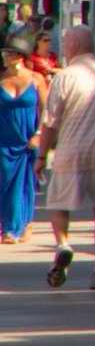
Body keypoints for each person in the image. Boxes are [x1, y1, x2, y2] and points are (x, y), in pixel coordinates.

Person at [35, 25, 95, 289]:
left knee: (58, 204)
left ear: (74, 47)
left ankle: (64, 243)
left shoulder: (65, 77)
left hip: (71, 151)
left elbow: (51, 122)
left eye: (65, 44)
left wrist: (42, 156)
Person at [0, 33, 42, 242]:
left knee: (25, 183)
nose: (5, 56)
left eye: (9, 53)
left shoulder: (36, 79)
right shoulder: (0, 78)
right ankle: (7, 225)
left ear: (19, 56)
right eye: (5, 52)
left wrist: (40, 134)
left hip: (27, 138)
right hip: (4, 138)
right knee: (4, 182)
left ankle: (21, 225)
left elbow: (48, 111)